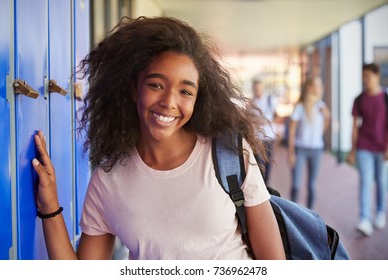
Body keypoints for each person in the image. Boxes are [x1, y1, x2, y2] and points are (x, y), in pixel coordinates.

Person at [32, 16, 285, 260]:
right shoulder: (109, 180)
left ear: (198, 99)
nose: (169, 103)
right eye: (156, 85)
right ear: (134, 89)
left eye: (185, 91)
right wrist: (50, 206)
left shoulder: (228, 153)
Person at [346, 63, 387, 237]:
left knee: (381, 181)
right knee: (365, 181)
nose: (365, 80)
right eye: (363, 77)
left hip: (382, 147)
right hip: (364, 146)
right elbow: (355, 127)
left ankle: (380, 212)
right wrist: (353, 150)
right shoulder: (359, 99)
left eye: (368, 76)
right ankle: (364, 219)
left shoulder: (386, 98)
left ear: (377, 75)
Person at [287, 76, 330, 209]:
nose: (320, 88)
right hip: (300, 149)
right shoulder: (300, 106)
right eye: (317, 85)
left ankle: (310, 214)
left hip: (316, 150)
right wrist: (291, 152)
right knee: (296, 184)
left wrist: (318, 134)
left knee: (312, 185)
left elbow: (326, 123)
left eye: (320, 85)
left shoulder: (322, 106)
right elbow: (292, 130)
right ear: (309, 88)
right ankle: (292, 210)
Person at [252, 77, 278, 184]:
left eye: (259, 88)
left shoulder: (270, 100)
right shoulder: (251, 103)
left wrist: (268, 122)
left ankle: (266, 189)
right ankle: (261, 188)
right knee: (259, 166)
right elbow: (247, 120)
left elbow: (276, 116)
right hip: (257, 139)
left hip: (269, 138)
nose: (258, 90)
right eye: (255, 88)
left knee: (268, 165)